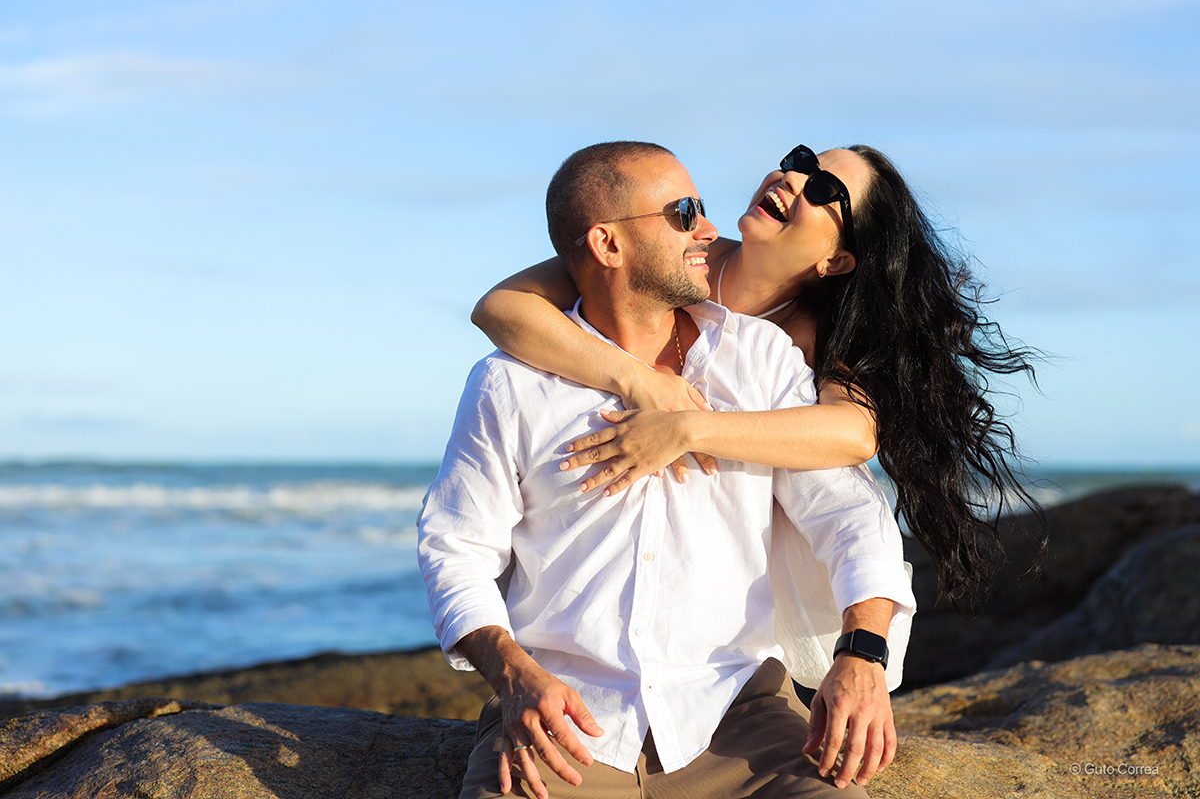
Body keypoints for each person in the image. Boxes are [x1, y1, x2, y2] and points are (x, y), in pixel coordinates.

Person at [419, 141, 916, 799]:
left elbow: (848, 507)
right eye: (685, 213)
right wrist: (512, 673)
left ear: (837, 259)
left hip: (739, 716)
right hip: (567, 723)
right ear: (607, 244)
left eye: (703, 211)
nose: (708, 229)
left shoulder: (768, 358)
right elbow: (455, 547)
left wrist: (862, 653)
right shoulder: (509, 383)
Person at [472, 143, 1045, 615]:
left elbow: (854, 433)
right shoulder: (679, 256)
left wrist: (687, 428)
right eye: (800, 161)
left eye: (824, 189)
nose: (794, 178)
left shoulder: (811, 334)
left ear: (836, 261)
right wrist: (637, 380)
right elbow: (499, 307)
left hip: (748, 558)